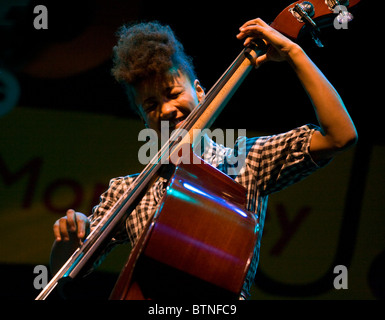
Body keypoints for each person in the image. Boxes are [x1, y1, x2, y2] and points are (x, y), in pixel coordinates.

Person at [50, 18, 357, 299]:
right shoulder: (126, 192)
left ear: (200, 91)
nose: (167, 110)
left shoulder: (245, 160)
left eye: (173, 93)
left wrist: (293, 52)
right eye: (151, 105)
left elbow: (339, 136)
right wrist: (68, 237)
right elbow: (66, 273)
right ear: (145, 120)